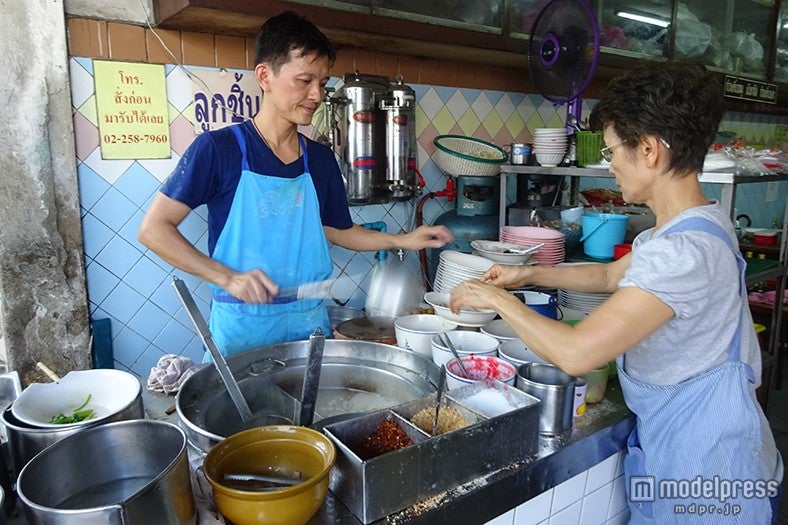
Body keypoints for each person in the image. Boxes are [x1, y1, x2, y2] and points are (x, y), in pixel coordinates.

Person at [449, 62, 782, 523]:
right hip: (680, 452)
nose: (610, 167)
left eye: (611, 153)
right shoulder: (689, 228)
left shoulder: (683, 252)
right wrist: (525, 277)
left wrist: (496, 300)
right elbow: (609, 278)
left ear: (648, 150)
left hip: (711, 475)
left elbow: (577, 352)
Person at [138, 11, 453, 357]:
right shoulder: (218, 150)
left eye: (323, 82)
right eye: (305, 80)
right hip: (242, 330)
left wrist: (403, 240)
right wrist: (226, 277)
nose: (316, 94)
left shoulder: (318, 159)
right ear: (265, 76)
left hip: (308, 327)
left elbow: (337, 230)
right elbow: (154, 230)